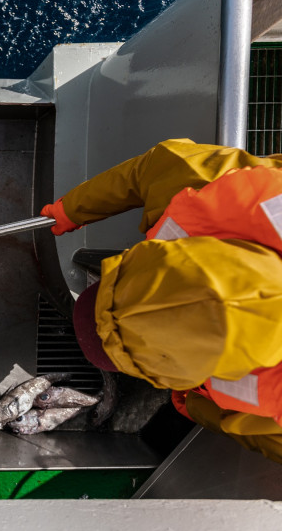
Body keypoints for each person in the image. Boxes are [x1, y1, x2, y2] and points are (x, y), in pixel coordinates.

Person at [39, 138, 282, 463]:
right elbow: (155, 168)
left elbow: (259, 434)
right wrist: (73, 208)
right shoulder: (232, 191)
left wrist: (194, 405)